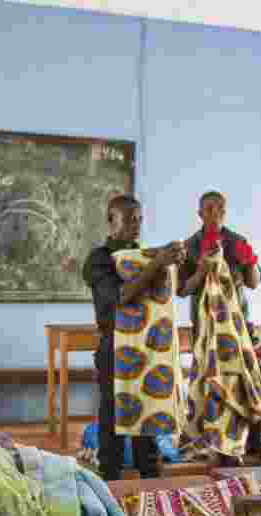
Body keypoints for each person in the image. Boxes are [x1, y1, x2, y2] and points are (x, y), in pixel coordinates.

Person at [82, 194, 185, 481]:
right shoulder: (99, 259)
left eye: (139, 219)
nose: (136, 225)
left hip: (147, 347)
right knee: (112, 420)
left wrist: (174, 260)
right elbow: (120, 297)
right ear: (111, 221)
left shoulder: (144, 255)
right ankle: (110, 482)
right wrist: (157, 263)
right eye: (129, 220)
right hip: (114, 348)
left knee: (148, 418)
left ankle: (150, 480)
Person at [178, 191, 261, 459]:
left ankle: (253, 442)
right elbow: (181, 289)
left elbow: (254, 282)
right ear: (200, 213)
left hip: (237, 329)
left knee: (245, 380)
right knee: (211, 383)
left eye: (220, 209)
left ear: (225, 212)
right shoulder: (189, 246)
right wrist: (202, 272)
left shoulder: (237, 241)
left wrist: (250, 262)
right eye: (209, 208)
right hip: (206, 330)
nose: (215, 213)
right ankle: (215, 440)